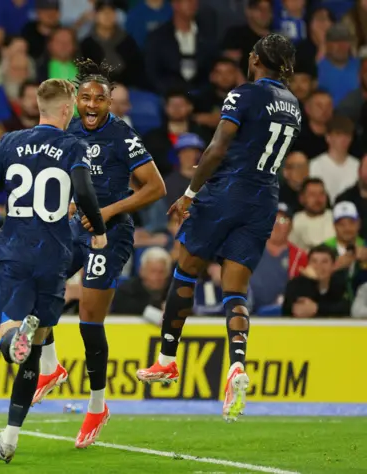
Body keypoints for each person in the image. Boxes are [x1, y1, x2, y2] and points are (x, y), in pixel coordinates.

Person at [135, 33, 300, 421]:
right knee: (235, 289)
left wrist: (191, 193)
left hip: (228, 191)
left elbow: (217, 148)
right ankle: (237, 365)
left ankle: (167, 359)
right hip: (264, 201)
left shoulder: (244, 94)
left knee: (185, 269)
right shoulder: (294, 106)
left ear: (256, 58)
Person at [0, 78, 108, 462]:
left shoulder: (10, 142)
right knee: (37, 346)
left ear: (38, 106)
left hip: (15, 250)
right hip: (55, 256)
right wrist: (98, 231)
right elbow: (84, 191)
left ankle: (14, 338)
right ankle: (10, 436)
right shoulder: (73, 145)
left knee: (10, 333)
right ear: (67, 110)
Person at [31, 59, 165, 447]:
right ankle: (51, 366)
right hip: (72, 227)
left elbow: (155, 188)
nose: (91, 105)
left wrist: (105, 211)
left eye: (99, 99)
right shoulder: (68, 128)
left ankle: (96, 406)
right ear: (75, 100)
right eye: (85, 98)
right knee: (41, 283)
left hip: (112, 232)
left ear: (111, 102)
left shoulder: (123, 136)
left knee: (89, 318)